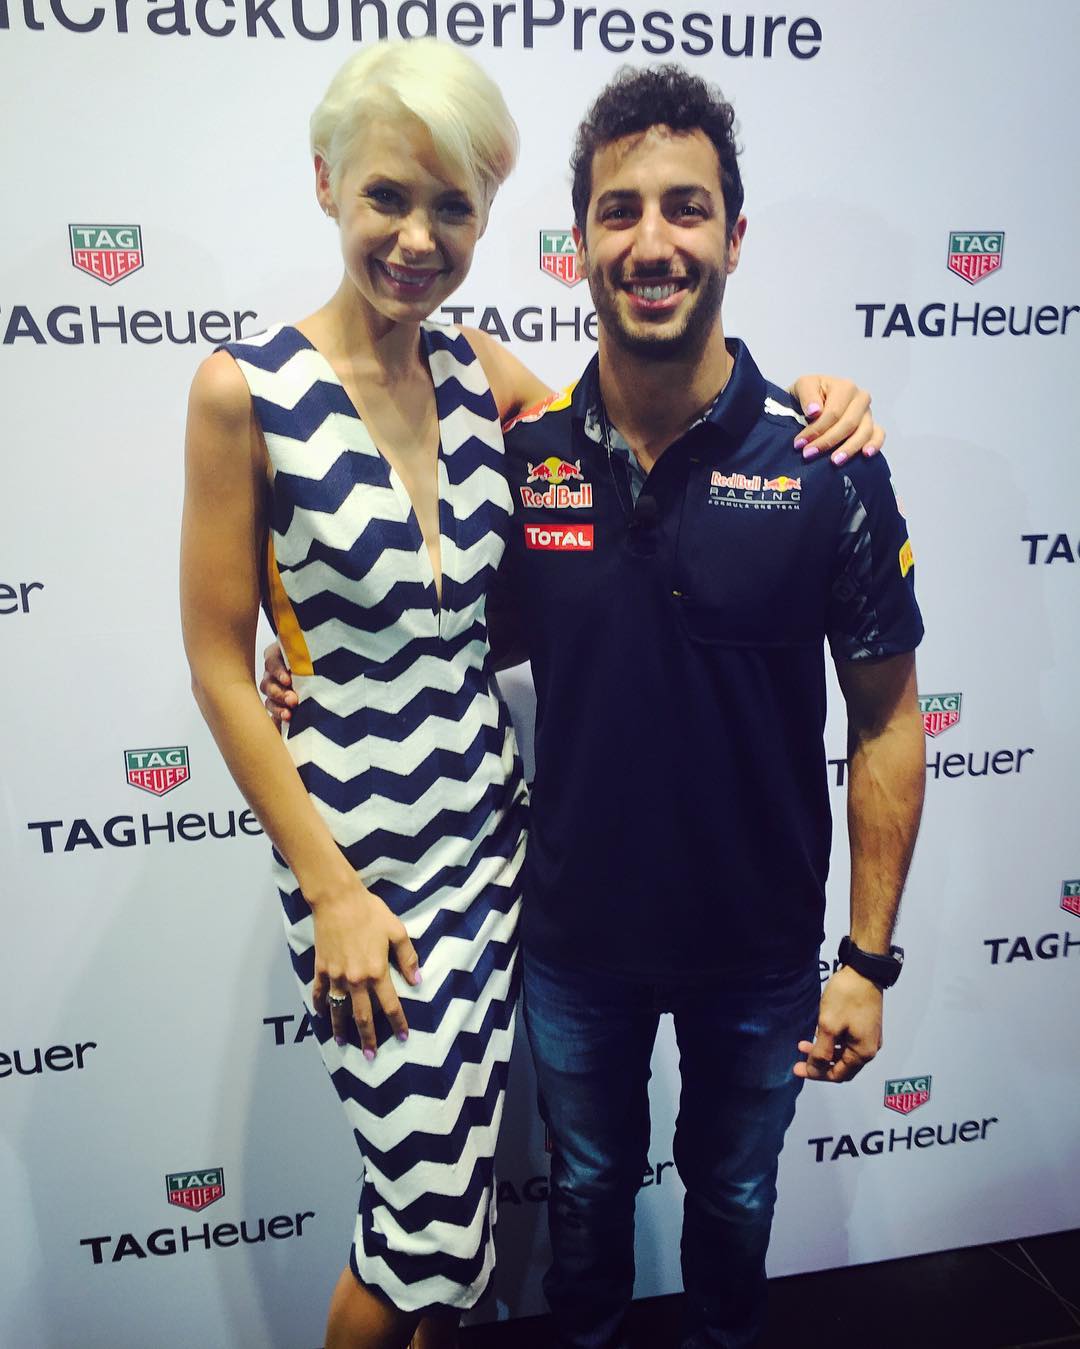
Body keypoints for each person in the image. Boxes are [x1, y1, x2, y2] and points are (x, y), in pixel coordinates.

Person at [187, 39, 888, 1349]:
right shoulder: (246, 391)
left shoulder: (474, 373)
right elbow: (218, 659)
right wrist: (330, 883)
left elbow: (631, 422)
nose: (417, 236)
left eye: (451, 206)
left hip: (493, 843)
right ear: (327, 185)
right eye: (388, 195)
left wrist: (817, 398)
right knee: (423, 1222)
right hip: (362, 861)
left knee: (467, 1221)